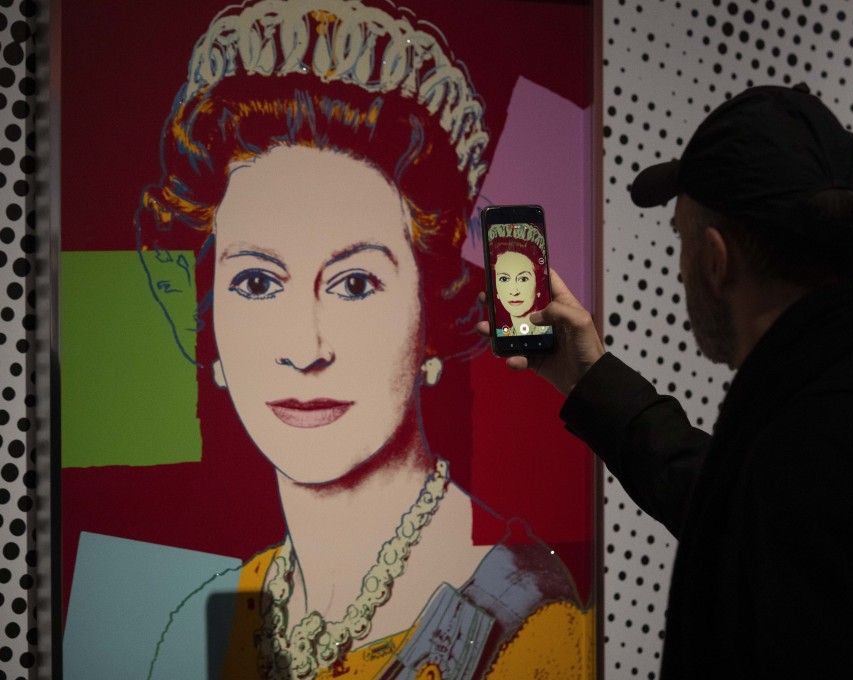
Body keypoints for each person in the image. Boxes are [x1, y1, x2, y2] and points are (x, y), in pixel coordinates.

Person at [134, 1, 591, 678]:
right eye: (258, 283)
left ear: (430, 319)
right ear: (212, 326)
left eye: (353, 284)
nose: (305, 345)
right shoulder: (208, 620)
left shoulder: (531, 626)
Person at [480, 84, 853, 677]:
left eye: (680, 237)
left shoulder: (827, 449)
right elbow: (727, 502)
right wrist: (592, 381)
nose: (679, 265)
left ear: (716, 260)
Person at [490, 233, 553, 337]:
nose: (514, 292)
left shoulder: (554, 334)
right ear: (496, 290)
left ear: (538, 284)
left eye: (523, 279)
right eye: (504, 279)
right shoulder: (501, 337)